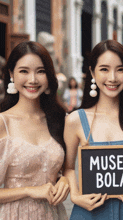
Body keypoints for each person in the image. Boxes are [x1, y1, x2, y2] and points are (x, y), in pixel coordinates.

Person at [64, 40, 123, 220]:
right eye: (104, 69)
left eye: (120, 69)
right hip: (88, 212)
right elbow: (67, 168)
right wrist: (75, 195)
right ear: (92, 72)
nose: (112, 77)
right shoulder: (76, 119)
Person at [0, 41, 69, 219]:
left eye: (41, 71)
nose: (33, 79)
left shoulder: (60, 120)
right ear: (11, 74)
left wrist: (65, 181)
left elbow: (69, 169)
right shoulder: (3, 122)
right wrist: (30, 190)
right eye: (24, 71)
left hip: (53, 213)